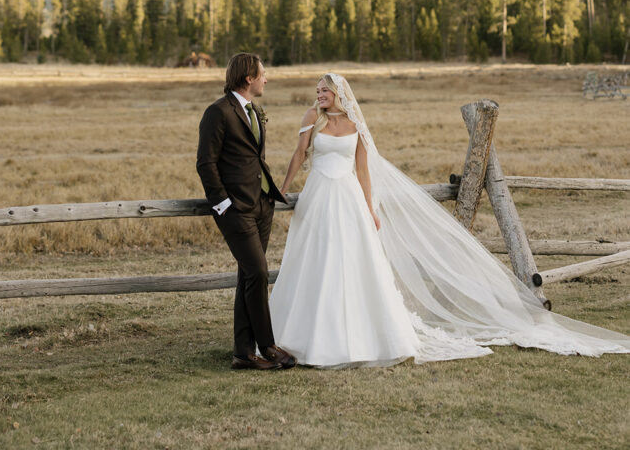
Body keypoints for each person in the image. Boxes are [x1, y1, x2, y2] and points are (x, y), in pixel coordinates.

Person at [270, 72, 630, 368]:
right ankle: (304, 335)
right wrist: (281, 189)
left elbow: (363, 170)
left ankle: (355, 336)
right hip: (319, 194)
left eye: (324, 90)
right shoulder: (311, 118)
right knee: (314, 259)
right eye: (317, 90)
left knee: (350, 262)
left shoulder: (355, 124)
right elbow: (299, 155)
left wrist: (370, 208)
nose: (319, 95)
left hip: (348, 197)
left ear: (338, 93)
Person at [197, 52, 296, 371]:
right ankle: (267, 346)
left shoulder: (255, 111)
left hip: (262, 205)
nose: (267, 78)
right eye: (262, 73)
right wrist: (223, 204)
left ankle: (243, 353)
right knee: (258, 273)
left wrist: (268, 197)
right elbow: (206, 163)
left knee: (248, 275)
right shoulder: (217, 112)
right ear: (248, 78)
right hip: (235, 209)